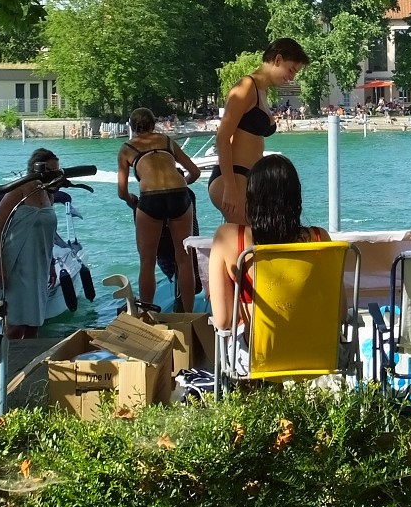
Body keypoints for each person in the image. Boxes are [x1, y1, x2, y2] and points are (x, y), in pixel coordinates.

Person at [209, 154, 331, 333]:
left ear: (251, 197)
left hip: (260, 355)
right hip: (318, 354)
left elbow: (223, 320)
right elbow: (340, 312)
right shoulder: (320, 238)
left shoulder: (228, 238)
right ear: (296, 197)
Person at [208, 38, 309, 223]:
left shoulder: (262, 90)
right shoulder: (246, 86)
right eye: (291, 70)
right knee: (245, 242)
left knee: (256, 240)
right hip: (232, 176)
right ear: (277, 59)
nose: (291, 77)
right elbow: (222, 137)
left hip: (249, 177)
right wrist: (229, 187)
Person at [118, 107, 201, 311]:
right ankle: (189, 315)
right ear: (154, 124)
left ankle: (147, 313)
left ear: (131, 127)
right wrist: (181, 186)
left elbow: (122, 192)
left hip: (150, 198)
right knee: (184, 259)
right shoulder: (166, 141)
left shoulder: (127, 148)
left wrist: (132, 201)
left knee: (147, 260)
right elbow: (195, 172)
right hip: (179, 195)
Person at [0, 148, 60, 339]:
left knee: (34, 325)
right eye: (50, 170)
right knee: (15, 325)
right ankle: (9, 364)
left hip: (39, 264)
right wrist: (0, 266)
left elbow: (48, 233)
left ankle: (29, 364)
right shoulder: (18, 190)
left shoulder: (49, 194)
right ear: (36, 169)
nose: (54, 175)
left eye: (57, 170)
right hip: (15, 263)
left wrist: (52, 263)